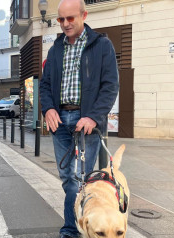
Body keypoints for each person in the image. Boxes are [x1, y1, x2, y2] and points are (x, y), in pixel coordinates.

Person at [39, 0, 119, 237]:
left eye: (70, 18)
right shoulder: (55, 49)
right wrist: (48, 109)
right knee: (67, 178)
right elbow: (44, 86)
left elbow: (110, 86)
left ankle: (71, 230)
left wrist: (94, 117)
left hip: (87, 122)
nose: (65, 24)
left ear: (84, 15)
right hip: (60, 120)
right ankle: (87, 224)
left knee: (78, 179)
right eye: (61, 19)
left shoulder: (102, 45)